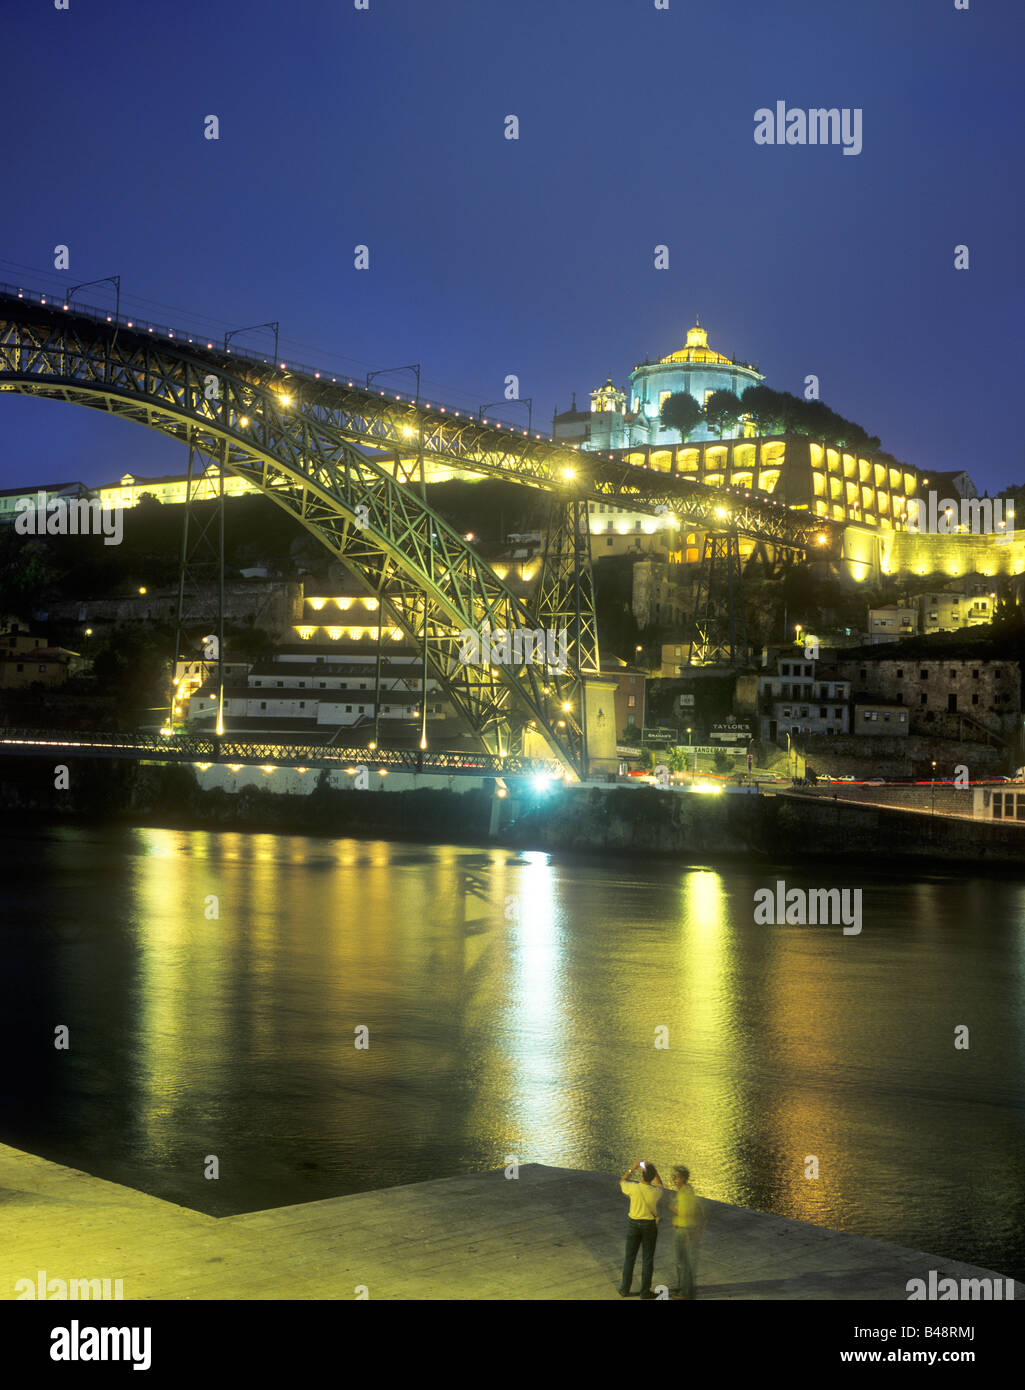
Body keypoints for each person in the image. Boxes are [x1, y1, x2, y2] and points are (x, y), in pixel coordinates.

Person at [617, 1159, 664, 1298]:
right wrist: (654, 1170)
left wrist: (633, 1168)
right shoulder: (656, 1192)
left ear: (641, 1175)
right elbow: (660, 1184)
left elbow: (621, 1181)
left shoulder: (633, 1188)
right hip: (649, 1225)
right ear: (652, 1175)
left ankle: (624, 1289)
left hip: (633, 1224)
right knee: (647, 1259)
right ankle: (644, 1292)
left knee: (629, 1258)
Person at [668, 1165, 707, 1300]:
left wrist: (672, 1208)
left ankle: (685, 1293)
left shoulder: (684, 1194)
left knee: (682, 1263)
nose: (674, 1179)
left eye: (676, 1177)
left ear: (683, 1178)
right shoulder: (689, 1191)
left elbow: (685, 1213)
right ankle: (684, 1288)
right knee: (684, 1263)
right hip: (687, 1229)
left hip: (683, 1231)